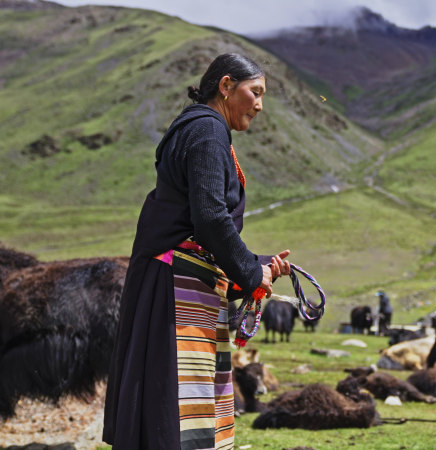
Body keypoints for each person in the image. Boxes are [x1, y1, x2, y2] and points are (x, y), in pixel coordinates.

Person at [103, 53, 291, 449]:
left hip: (180, 281)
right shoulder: (207, 131)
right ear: (225, 86)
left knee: (179, 404)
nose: (260, 105)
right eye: (254, 92)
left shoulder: (203, 130)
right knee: (175, 410)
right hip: (174, 288)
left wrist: (259, 266)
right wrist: (251, 273)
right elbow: (209, 218)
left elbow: (198, 226)